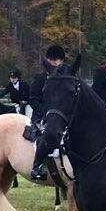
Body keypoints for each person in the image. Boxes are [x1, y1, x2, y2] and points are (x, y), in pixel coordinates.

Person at [29, 45, 67, 181]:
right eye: (52, 60)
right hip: (42, 116)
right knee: (48, 135)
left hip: (62, 116)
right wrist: (46, 112)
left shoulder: (66, 78)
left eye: (57, 60)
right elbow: (33, 99)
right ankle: (37, 166)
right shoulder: (40, 78)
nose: (54, 63)